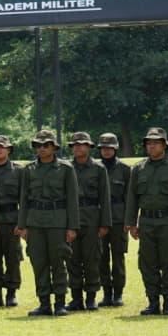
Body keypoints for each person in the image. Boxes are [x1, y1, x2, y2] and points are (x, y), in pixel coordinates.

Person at [124, 126, 168, 315]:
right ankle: (153, 302)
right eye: (148, 143)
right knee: (147, 263)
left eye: (155, 143)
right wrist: (131, 223)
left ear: (164, 145)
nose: (151, 146)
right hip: (146, 221)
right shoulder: (138, 168)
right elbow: (132, 198)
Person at [16, 129, 79, 317]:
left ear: (53, 147)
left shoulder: (66, 169)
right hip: (35, 222)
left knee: (58, 261)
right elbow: (24, 199)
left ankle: (60, 302)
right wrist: (22, 225)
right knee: (39, 262)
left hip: (57, 221)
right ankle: (44, 302)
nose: (41, 149)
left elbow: (72, 199)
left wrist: (72, 226)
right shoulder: (28, 170)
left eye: (46, 145)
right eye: (38, 146)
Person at [65, 132, 111, 311]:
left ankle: (91, 297)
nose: (78, 147)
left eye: (82, 144)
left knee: (92, 259)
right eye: (75, 144)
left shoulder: (99, 169)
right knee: (72, 258)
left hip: (92, 217)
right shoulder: (66, 167)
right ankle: (76, 298)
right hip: (71, 218)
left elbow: (105, 198)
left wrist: (104, 223)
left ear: (89, 147)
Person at [0, 135, 23, 307]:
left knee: (13, 258)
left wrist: (21, 223)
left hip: (11, 220)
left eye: (2, 147)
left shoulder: (18, 171)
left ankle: (11, 293)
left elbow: (24, 199)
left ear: (9, 150)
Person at [97, 133, 130, 307]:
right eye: (103, 148)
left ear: (116, 149)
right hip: (100, 218)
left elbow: (129, 197)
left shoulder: (125, 169)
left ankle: (118, 293)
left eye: (110, 148)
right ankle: (106, 293)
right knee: (101, 257)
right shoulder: (95, 168)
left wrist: (129, 220)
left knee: (118, 257)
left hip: (118, 218)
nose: (106, 151)